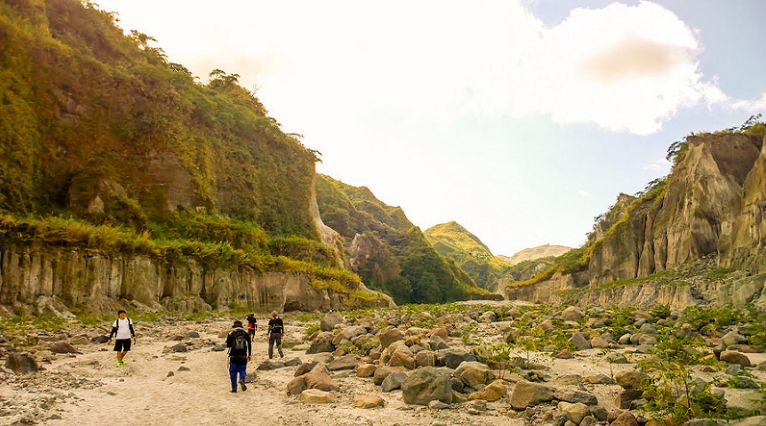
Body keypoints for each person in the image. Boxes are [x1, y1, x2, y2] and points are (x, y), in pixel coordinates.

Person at [226, 320, 252, 393]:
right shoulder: (245, 333)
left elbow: (228, 345)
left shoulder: (231, 333)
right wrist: (249, 354)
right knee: (242, 370)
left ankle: (234, 389)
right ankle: (242, 379)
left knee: (233, 372)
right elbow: (249, 345)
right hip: (243, 356)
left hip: (233, 356)